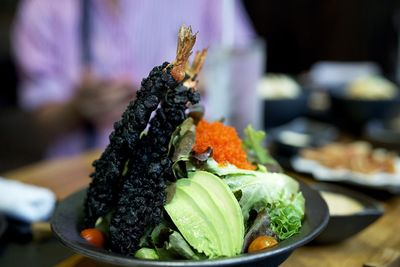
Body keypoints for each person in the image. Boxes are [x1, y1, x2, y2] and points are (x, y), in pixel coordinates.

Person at [12, 0, 255, 158]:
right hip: (82, 167)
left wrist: (178, 83)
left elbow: (241, 68)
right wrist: (77, 108)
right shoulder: (43, 7)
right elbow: (39, 121)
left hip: (193, 157)